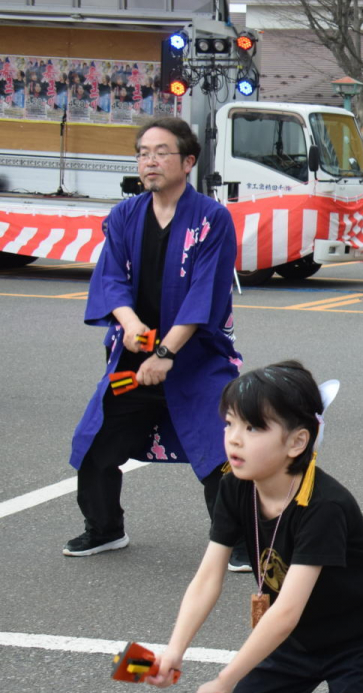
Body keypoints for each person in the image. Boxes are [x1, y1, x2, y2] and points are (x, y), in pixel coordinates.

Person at [146, 361, 363, 693]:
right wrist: (174, 650)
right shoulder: (235, 487)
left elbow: (285, 612)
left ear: (296, 442)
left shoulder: (325, 505)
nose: (233, 438)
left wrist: (226, 678)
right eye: (230, 423)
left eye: (252, 427)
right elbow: (208, 576)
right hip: (300, 641)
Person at [67, 117, 248, 569]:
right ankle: (105, 528)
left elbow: (205, 292)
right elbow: (109, 280)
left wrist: (166, 354)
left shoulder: (211, 218)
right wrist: (128, 324)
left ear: (188, 162)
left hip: (196, 359)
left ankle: (240, 541)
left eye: (161, 151)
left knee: (220, 452)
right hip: (133, 358)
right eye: (143, 152)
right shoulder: (125, 215)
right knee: (96, 445)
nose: (150, 160)